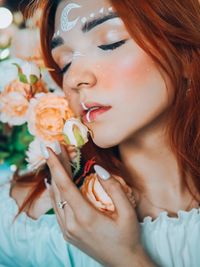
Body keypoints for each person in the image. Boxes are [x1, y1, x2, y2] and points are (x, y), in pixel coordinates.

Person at [0, 0, 199, 266]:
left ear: (186, 56)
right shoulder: (25, 225)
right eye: (65, 63)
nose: (73, 80)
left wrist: (126, 258)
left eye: (110, 43)